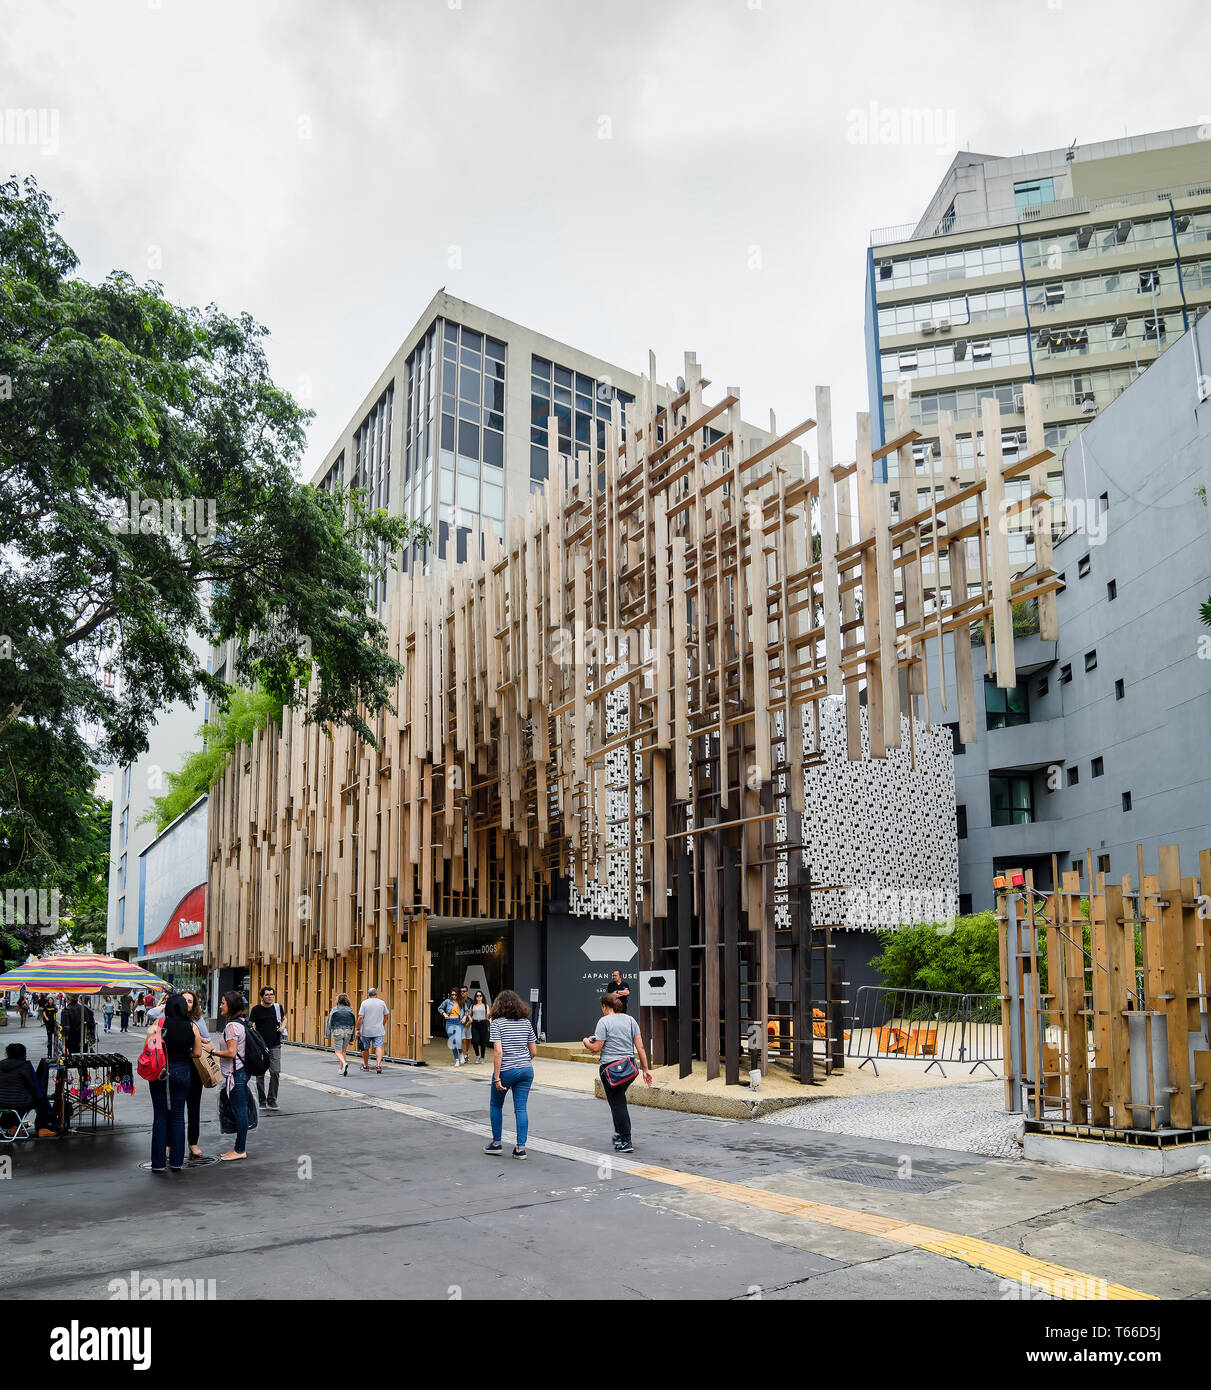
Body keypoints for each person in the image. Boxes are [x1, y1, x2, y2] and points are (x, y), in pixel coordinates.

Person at [583, 993, 652, 1154]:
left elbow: (596, 1048)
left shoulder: (603, 1021)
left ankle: (626, 1140)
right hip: (629, 1069)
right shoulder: (630, 1020)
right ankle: (619, 1134)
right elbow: (640, 1047)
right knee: (618, 1101)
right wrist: (646, 1069)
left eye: (602, 1007)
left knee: (618, 1104)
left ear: (605, 1007)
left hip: (611, 1070)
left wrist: (585, 1041)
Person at [146, 994, 203, 1173]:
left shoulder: (158, 1025)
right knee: (178, 1116)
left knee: (160, 1115)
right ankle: (177, 1162)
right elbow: (198, 1053)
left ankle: (158, 1163)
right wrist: (184, 1056)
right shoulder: (192, 1027)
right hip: (183, 1071)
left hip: (161, 1072)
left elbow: (148, 1050)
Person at [483, 989, 537, 1159]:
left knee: (496, 1105)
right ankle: (521, 1149)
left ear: (498, 1006)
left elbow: (498, 1052)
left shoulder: (497, 1024)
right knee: (521, 1108)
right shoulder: (526, 1023)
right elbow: (533, 1051)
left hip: (506, 1070)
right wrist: (522, 1061)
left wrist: (497, 1077)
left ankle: (496, 1143)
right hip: (526, 1070)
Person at [212, 991, 250, 1161]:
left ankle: (240, 1149)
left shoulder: (231, 1027)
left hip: (236, 1074)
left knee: (241, 1112)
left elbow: (231, 1052)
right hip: (240, 1073)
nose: (220, 1006)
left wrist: (212, 1051)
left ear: (231, 1006)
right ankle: (238, 1148)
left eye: (223, 1003)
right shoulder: (241, 1023)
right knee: (239, 1110)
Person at [180, 989, 213, 1161]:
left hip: (194, 1068)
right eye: (184, 1000)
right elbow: (152, 1012)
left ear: (194, 1004)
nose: (187, 1003)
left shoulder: (197, 1020)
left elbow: (207, 1040)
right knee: (174, 1109)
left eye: (190, 1001)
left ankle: (193, 1143)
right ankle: (170, 1144)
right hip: (176, 1067)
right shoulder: (169, 1018)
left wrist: (198, 1039)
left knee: (193, 1108)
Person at [0, 1042, 57, 1137]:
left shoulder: (0, 1065)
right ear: (23, 1054)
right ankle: (42, 1128)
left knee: (17, 1100)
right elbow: (33, 1087)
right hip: (19, 1102)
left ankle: (14, 1127)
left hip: (1, 1102)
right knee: (41, 1100)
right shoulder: (24, 1066)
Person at [248, 986, 286, 1110]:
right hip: (260, 1047)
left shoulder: (277, 1007)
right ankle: (261, 1101)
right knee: (260, 1074)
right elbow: (252, 1024)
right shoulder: (256, 1010)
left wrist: (282, 1027)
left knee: (275, 1072)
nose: (270, 996)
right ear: (261, 997)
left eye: (271, 994)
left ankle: (272, 1100)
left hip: (275, 1045)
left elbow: (284, 1019)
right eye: (267, 994)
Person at [323, 993, 357, 1077]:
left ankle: (344, 1064)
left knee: (338, 1052)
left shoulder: (335, 1009)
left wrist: (327, 1034)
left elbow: (329, 1022)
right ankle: (341, 1069)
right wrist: (353, 1037)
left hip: (338, 1031)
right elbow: (354, 1024)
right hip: (348, 1032)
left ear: (338, 1000)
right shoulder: (350, 1010)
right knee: (343, 1051)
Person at [356, 987, 388, 1074]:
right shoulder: (382, 1003)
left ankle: (366, 1066)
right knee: (378, 1046)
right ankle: (378, 1065)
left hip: (366, 1030)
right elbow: (386, 1015)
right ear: (376, 994)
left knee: (365, 1048)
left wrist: (358, 1029)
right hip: (378, 1029)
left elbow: (360, 1017)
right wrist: (382, 1024)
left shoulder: (364, 1003)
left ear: (368, 994)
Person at [437, 989, 467, 1067]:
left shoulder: (462, 1002)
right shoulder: (447, 1001)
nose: (454, 996)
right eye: (452, 995)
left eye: (455, 995)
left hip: (458, 1022)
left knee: (458, 1040)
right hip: (449, 1022)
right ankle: (457, 1060)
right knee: (452, 1042)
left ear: (458, 995)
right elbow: (440, 1008)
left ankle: (461, 1054)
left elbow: (466, 1011)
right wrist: (444, 1014)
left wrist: (464, 1017)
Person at [468, 990, 490, 1063]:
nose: (479, 997)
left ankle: (482, 1057)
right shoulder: (472, 1005)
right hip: (475, 1024)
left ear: (482, 997)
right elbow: (469, 1014)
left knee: (483, 1042)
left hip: (483, 1023)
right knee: (475, 1041)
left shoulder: (485, 1005)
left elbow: (489, 1015)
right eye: (477, 996)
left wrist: (490, 1022)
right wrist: (470, 1018)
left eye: (480, 995)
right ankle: (477, 1056)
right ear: (475, 997)